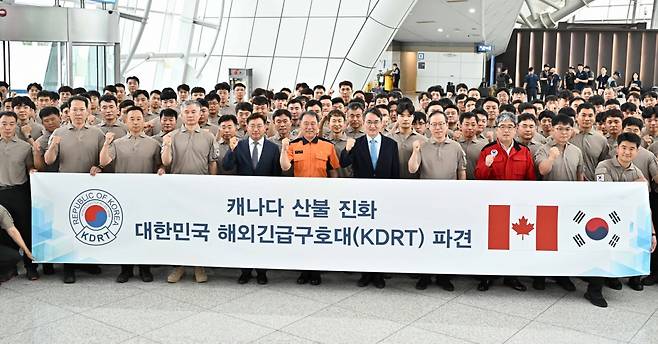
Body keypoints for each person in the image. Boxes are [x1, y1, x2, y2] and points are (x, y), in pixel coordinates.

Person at [590, 133, 657, 307]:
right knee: (601, 253)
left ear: (637, 151)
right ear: (617, 148)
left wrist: (652, 232)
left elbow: (643, 205)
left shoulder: (637, 172)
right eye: (624, 147)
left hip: (624, 222)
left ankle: (618, 279)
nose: (627, 152)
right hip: (602, 220)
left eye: (632, 149)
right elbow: (606, 193)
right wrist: (634, 186)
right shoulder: (603, 166)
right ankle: (594, 291)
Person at [99, 106, 163, 283]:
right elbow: (103, 162)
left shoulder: (153, 144)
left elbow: (161, 165)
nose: (135, 122)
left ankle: (145, 269)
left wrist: (162, 169)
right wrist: (106, 143)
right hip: (123, 195)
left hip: (147, 195)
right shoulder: (117, 143)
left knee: (145, 232)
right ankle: (125, 269)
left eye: (138, 119)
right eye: (132, 119)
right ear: (125, 121)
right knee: (124, 232)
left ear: (144, 121)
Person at [44, 96, 105, 283]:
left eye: (81, 109)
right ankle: (68, 268)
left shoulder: (98, 133)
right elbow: (48, 160)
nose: (78, 113)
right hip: (66, 188)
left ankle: (87, 262)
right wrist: (54, 145)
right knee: (68, 226)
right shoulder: (58, 133)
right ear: (68, 112)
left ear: (88, 111)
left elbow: (104, 160)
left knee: (89, 226)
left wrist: (99, 168)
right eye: (74, 110)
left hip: (91, 187)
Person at [475, 112, 535, 292]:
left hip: (516, 206)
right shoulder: (488, 150)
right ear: (496, 129)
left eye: (510, 127)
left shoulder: (524, 151)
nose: (506, 130)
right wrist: (486, 165)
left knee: (513, 242)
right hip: (492, 205)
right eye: (502, 127)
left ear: (516, 129)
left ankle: (511, 276)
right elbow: (479, 178)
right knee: (490, 242)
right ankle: (487, 276)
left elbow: (531, 179)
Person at [340, 108, 399, 288]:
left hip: (384, 197)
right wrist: (347, 149)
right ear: (363, 124)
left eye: (375, 122)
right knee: (365, 235)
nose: (372, 126)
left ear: (382, 123)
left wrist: (394, 197)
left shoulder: (391, 144)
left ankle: (379, 273)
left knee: (381, 236)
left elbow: (395, 172)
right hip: (363, 197)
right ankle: (365, 273)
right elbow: (344, 163)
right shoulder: (356, 143)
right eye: (369, 122)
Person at [408, 110, 465, 291]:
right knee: (426, 238)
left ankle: (443, 276)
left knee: (445, 238)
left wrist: (461, 194)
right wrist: (416, 151)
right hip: (427, 201)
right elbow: (412, 169)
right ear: (428, 126)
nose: (438, 128)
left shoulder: (456, 147)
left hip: (450, 201)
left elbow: (461, 172)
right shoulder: (422, 145)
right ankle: (425, 275)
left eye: (441, 124)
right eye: (434, 124)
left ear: (447, 125)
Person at [161, 100, 218, 283]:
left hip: (201, 189)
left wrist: (212, 185)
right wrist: (167, 145)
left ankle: (199, 266)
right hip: (177, 189)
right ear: (181, 115)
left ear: (200, 114)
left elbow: (212, 162)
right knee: (180, 230)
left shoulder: (209, 137)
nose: (191, 115)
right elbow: (167, 162)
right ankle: (179, 267)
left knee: (198, 229)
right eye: (187, 112)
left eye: (194, 112)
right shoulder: (172, 136)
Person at [223, 113, 281, 284]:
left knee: (262, 236)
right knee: (245, 236)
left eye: (259, 126)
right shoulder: (239, 146)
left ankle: (262, 271)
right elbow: (227, 166)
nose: (255, 129)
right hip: (244, 200)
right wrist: (231, 150)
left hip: (265, 200)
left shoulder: (272, 148)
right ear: (246, 128)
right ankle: (245, 270)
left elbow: (276, 174)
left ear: (266, 127)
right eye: (252, 126)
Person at [0, 111, 40, 280]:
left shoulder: (24, 147)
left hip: (19, 192)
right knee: (3, 231)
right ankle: (8, 268)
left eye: (11, 124)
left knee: (25, 228)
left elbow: (31, 167)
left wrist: (33, 170)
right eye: (3, 124)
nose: (7, 127)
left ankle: (30, 266)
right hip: (0, 193)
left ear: (16, 125)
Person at [570, 103, 609, 181]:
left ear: (594, 117)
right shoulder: (568, 136)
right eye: (583, 115)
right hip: (569, 182)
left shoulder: (601, 140)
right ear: (577, 117)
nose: (587, 119)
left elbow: (603, 164)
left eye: (590, 116)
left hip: (592, 183)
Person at [0, 204, 34, 283]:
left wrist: (26, 251)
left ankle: (2, 273)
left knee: (14, 256)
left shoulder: (1, 210)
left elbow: (12, 231)